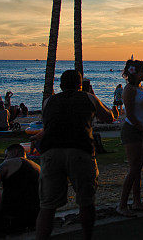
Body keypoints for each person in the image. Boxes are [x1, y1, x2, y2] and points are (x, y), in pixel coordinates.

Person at [35, 69, 114, 240]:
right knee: (86, 201)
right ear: (80, 85)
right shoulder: (88, 98)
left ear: (61, 85)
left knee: (47, 205)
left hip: (51, 153)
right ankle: (87, 236)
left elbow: (48, 124)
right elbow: (109, 117)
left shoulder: (48, 101)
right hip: (80, 151)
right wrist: (92, 93)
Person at [117, 59, 143, 217]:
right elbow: (130, 115)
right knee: (134, 168)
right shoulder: (129, 90)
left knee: (138, 168)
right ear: (135, 72)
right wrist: (142, 129)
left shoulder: (142, 87)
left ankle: (137, 202)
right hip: (133, 131)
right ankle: (122, 204)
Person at [0, 143, 40, 234]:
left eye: (6, 155)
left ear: (15, 152)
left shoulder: (11, 162)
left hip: (13, 215)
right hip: (36, 216)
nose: (5, 159)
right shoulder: (37, 167)